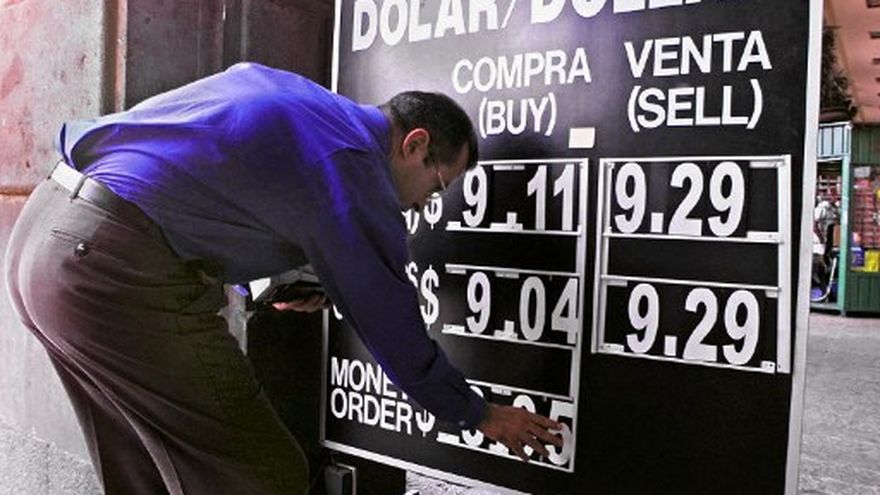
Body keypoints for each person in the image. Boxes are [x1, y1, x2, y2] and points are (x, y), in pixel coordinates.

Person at [4, 62, 563, 494]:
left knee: (142, 467)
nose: (423, 206)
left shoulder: (308, 106)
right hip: (112, 268)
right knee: (262, 474)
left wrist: (276, 280)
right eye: (436, 186)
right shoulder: (354, 164)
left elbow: (205, 182)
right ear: (414, 144)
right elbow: (390, 322)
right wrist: (480, 415)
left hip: (47, 238)